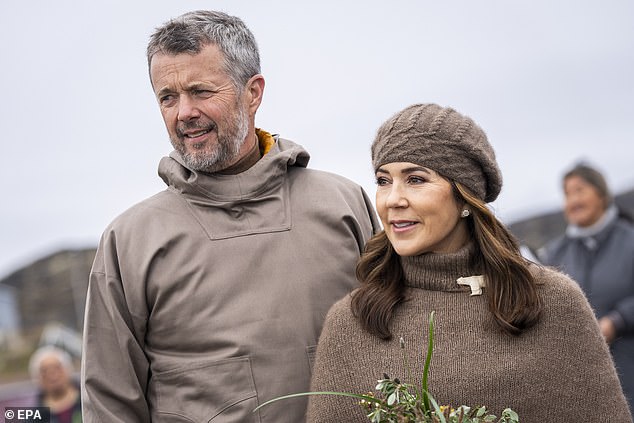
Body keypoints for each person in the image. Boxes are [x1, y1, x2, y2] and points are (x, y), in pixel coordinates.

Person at [80, 10, 378, 423]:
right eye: (167, 97)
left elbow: (401, 347)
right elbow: (110, 404)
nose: (184, 112)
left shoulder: (344, 205)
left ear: (252, 92)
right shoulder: (130, 241)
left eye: (200, 91)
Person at [306, 104, 632, 422]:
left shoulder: (553, 301)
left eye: (416, 179)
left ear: (464, 196)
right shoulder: (352, 321)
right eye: (383, 180)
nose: (393, 199)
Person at [538, 162, 634, 413]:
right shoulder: (556, 251)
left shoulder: (630, 240)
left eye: (580, 190)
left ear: (602, 194)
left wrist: (618, 320)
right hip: (580, 377)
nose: (573, 200)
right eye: (567, 194)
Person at [29, 346, 82, 423]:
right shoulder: (35, 418)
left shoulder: (88, 401)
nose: (52, 375)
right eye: (44, 371)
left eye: (57, 368)